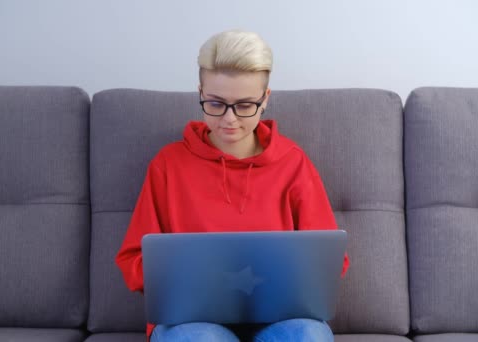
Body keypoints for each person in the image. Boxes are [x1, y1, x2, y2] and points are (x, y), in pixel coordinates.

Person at [116, 29, 350, 342]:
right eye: (215, 103)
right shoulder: (168, 164)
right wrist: (180, 279)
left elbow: (330, 261)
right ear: (199, 92)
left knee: (308, 335)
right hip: (192, 322)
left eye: (244, 105)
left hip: (280, 320)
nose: (229, 120)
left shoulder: (293, 163)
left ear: (265, 99)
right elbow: (133, 260)